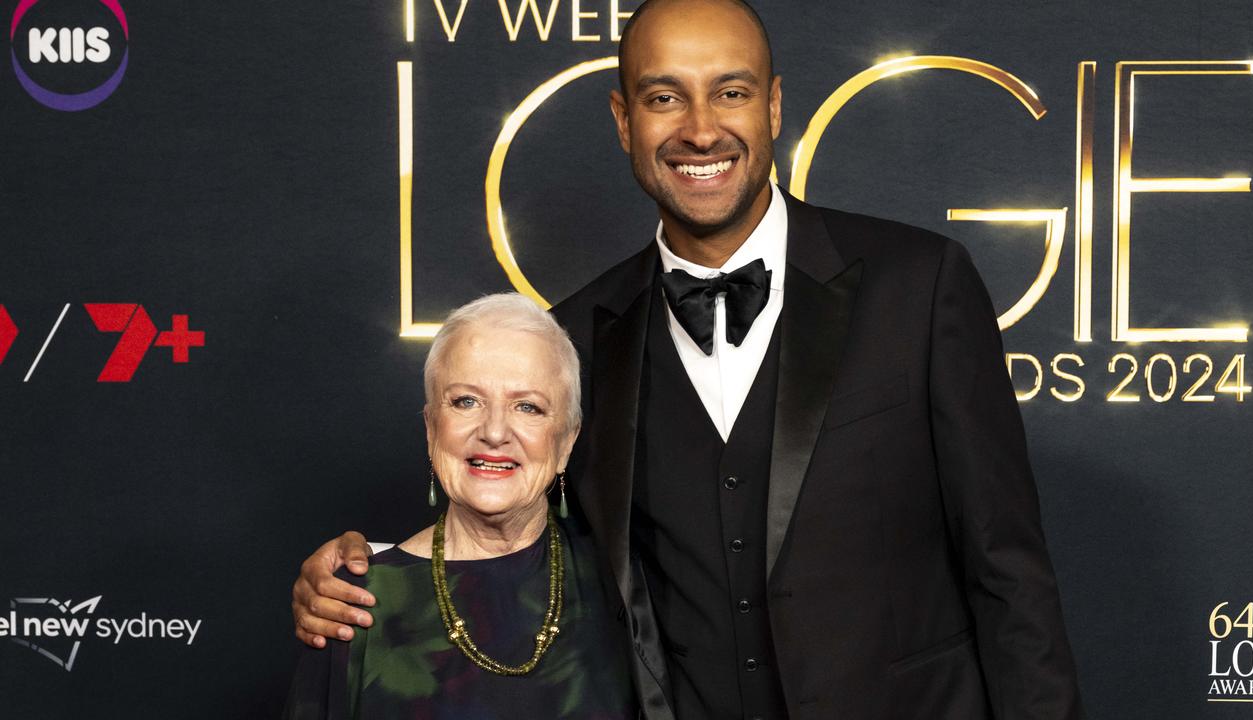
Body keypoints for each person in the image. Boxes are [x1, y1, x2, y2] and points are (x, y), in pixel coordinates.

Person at [292, 1, 1084, 718]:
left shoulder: (920, 283)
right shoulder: (577, 336)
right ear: (622, 118)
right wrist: (367, 578)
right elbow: (514, 522)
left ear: (773, 105)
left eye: (730, 92)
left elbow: (1006, 569)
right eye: (664, 97)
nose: (700, 130)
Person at [285, 294, 635, 719]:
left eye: (528, 406)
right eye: (466, 401)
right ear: (432, 427)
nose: (494, 431)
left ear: (566, 441)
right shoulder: (354, 603)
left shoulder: (624, 584)